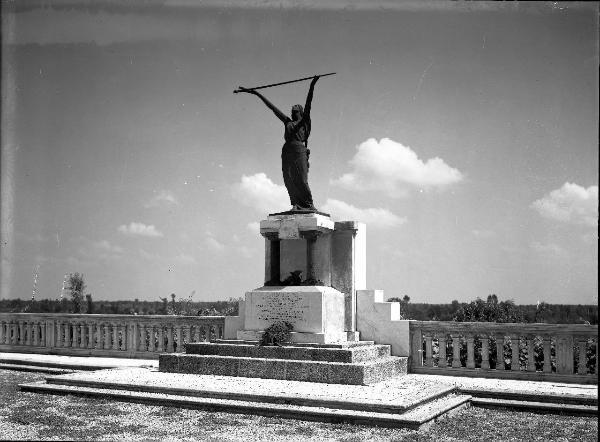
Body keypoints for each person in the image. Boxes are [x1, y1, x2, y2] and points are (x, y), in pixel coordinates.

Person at [238, 76, 320, 211]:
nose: (293, 113)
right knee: (288, 178)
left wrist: (312, 85)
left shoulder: (304, 122)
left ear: (300, 112)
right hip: (287, 150)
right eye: (292, 112)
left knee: (302, 179)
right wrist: (257, 94)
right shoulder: (287, 122)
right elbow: (272, 108)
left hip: (299, 150)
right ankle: (296, 204)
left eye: (295, 111)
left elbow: (308, 103)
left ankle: (309, 204)